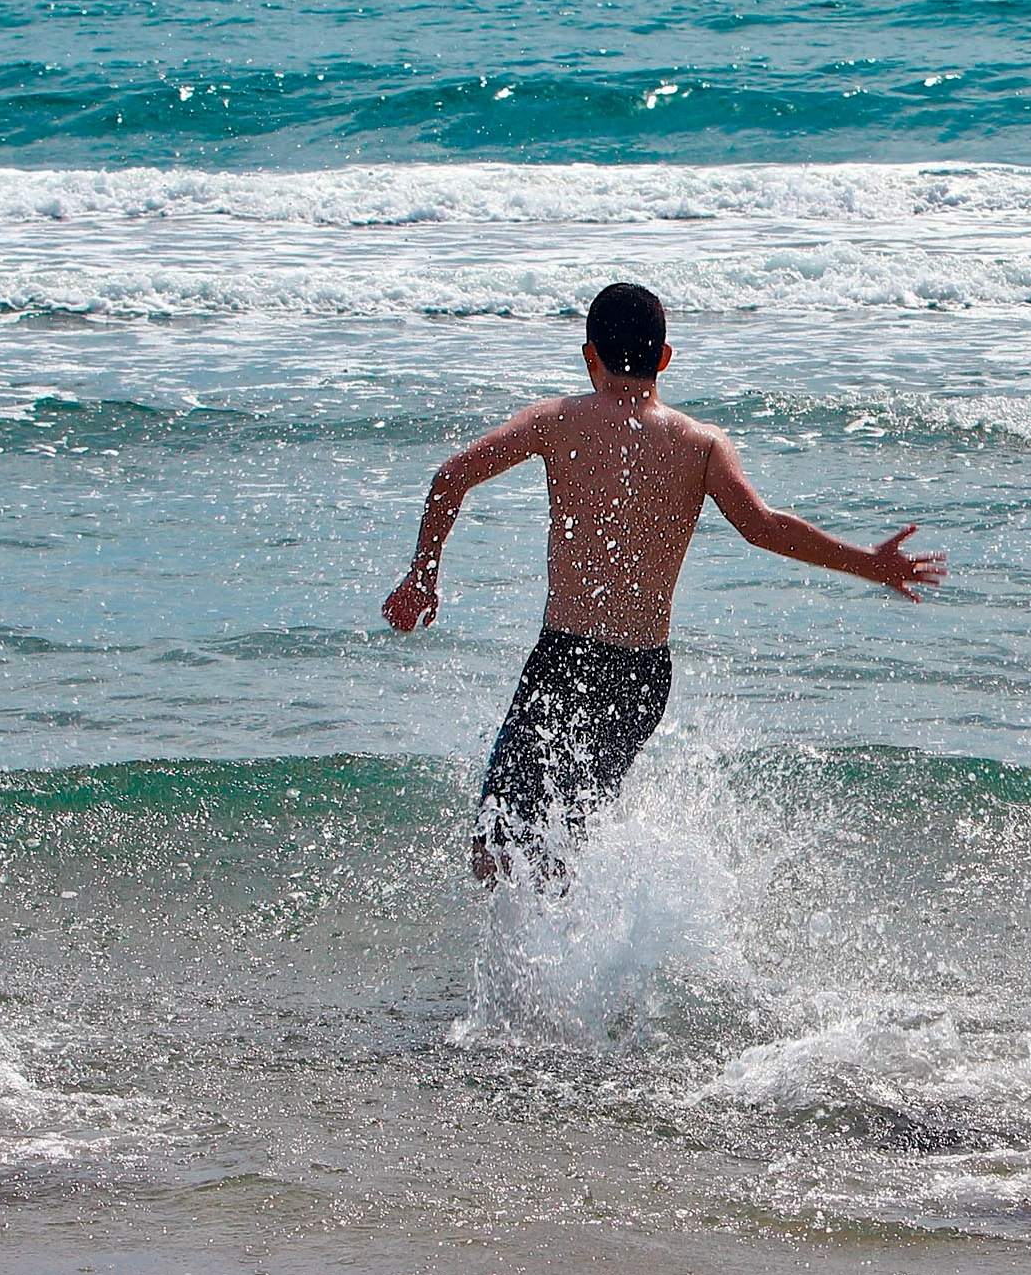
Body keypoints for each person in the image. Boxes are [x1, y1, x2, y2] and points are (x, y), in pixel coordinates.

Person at [384, 282, 945, 883]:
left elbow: (451, 477)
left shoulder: (555, 423)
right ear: (665, 357)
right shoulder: (700, 445)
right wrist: (869, 562)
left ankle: (530, 969)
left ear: (589, 355)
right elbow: (763, 527)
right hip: (644, 674)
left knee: (497, 847)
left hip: (564, 659)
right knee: (564, 840)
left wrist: (424, 575)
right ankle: (579, 965)